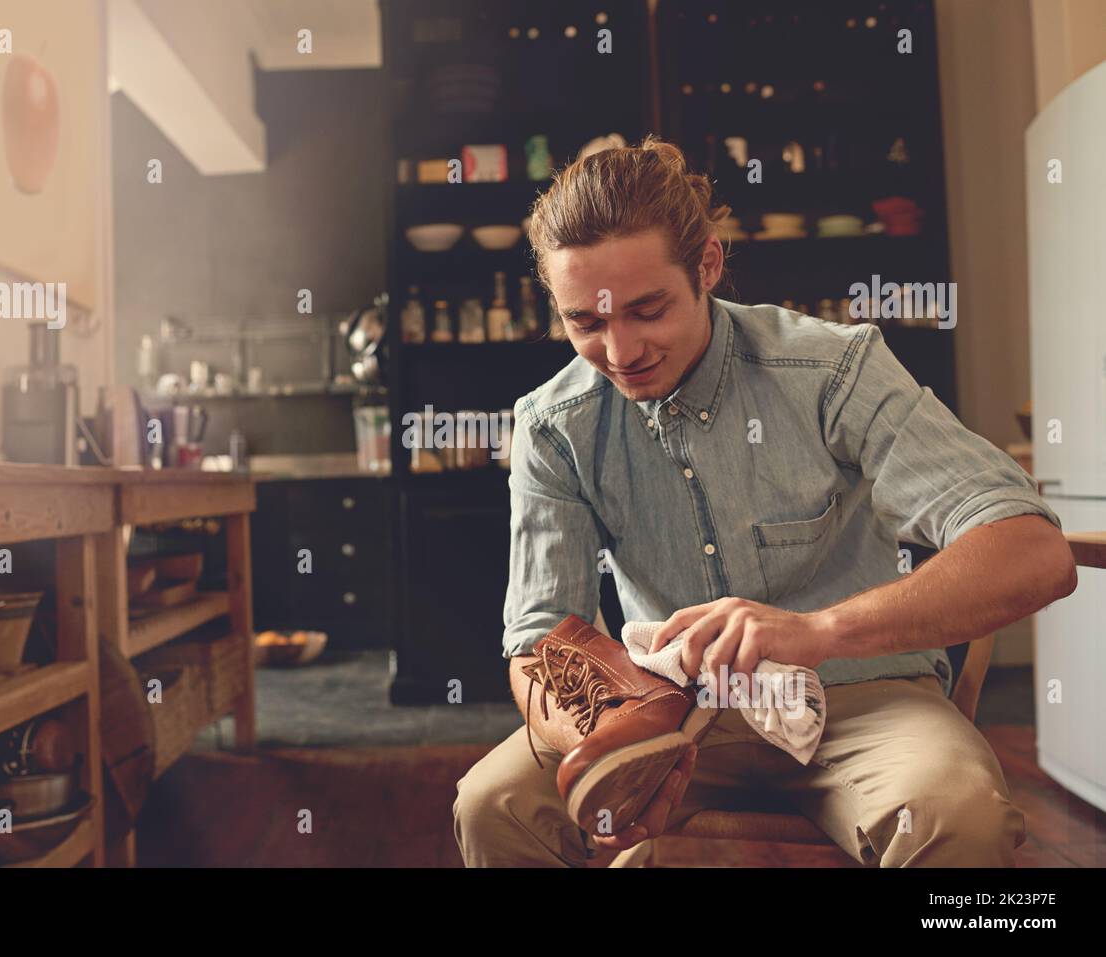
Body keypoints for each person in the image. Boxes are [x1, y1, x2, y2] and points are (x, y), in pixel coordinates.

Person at [452, 136, 1077, 868]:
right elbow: (535, 640)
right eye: (586, 323)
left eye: (647, 310)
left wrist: (818, 630)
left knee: (958, 818)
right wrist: (602, 748)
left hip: (861, 695)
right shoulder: (554, 424)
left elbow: (1033, 553)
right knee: (491, 805)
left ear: (708, 265)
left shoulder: (833, 368)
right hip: (669, 717)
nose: (620, 352)